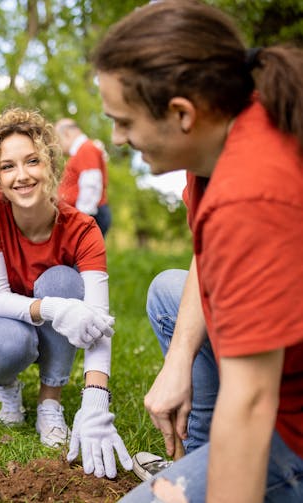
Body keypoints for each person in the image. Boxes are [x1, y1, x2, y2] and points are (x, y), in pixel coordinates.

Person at [92, 1, 303, 501]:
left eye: (124, 122)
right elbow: (207, 260)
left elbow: (252, 400)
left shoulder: (249, 194)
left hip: (290, 419)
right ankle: (201, 455)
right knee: (170, 291)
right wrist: (178, 359)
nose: (118, 139)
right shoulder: (222, 135)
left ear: (182, 113)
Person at [0, 107, 132, 479]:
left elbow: (98, 323)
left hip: (45, 312)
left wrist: (96, 401)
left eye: (32, 161)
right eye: (8, 166)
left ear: (51, 165)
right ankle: (6, 385)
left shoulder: (84, 229)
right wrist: (57, 309)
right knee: (12, 343)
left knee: (65, 282)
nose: (21, 176)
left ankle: (50, 402)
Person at [55, 119, 111, 237]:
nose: (59, 145)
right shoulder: (82, 151)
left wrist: (81, 219)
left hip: (90, 214)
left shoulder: (86, 149)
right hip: (86, 215)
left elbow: (91, 184)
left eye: (59, 140)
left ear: (67, 133)